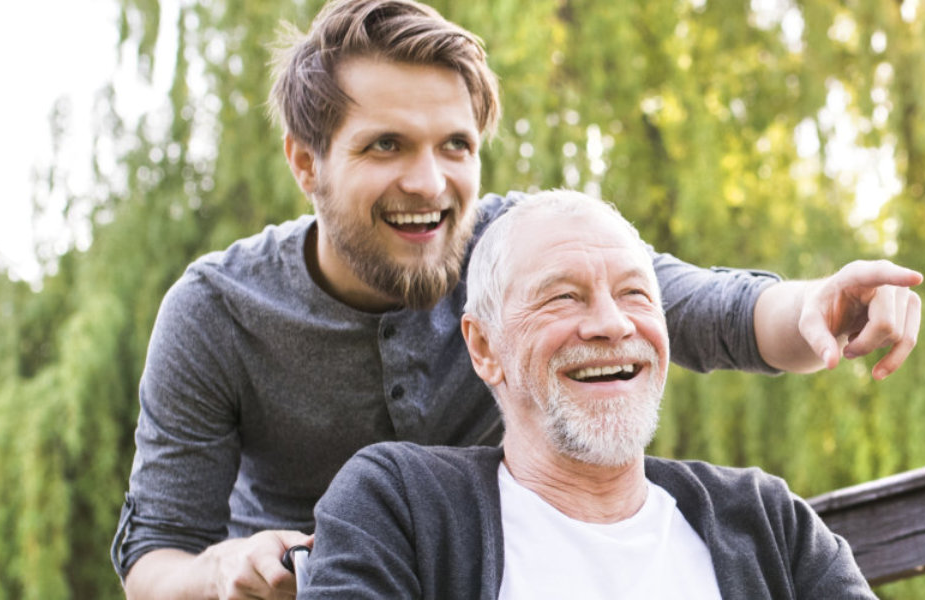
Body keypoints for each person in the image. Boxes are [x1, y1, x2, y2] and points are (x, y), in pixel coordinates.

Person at [109, 1, 920, 597]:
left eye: (454, 146)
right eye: (385, 145)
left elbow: (692, 306)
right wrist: (219, 572)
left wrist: (817, 306)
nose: (428, 183)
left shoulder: (517, 254)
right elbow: (154, 557)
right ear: (305, 162)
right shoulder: (216, 313)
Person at [301, 191, 874, 598]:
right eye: (563, 298)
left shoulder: (767, 521)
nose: (612, 324)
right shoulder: (397, 505)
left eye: (634, 294)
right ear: (484, 348)